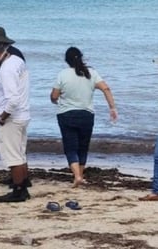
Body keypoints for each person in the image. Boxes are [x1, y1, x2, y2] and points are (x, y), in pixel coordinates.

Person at [50, 47, 118, 188]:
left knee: (70, 147)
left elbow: (54, 96)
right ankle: (80, 175)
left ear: (66, 60)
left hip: (66, 114)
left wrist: (55, 100)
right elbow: (106, 88)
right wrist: (112, 108)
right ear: (81, 57)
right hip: (86, 115)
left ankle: (77, 176)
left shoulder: (62, 74)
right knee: (83, 146)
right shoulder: (91, 73)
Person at [0, 38, 31, 202]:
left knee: (13, 157)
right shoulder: (17, 60)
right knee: (20, 153)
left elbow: (13, 99)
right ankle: (24, 185)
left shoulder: (6, 70)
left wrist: (3, 116)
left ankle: (18, 191)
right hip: (23, 114)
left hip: (12, 117)